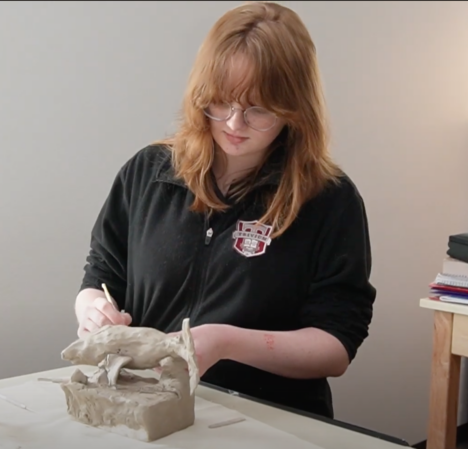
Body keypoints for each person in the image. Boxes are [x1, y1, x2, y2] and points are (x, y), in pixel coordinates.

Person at [73, 1, 376, 419]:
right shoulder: (147, 174)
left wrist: (227, 341)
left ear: (295, 109)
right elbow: (101, 276)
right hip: (147, 408)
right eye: (220, 102)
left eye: (259, 109)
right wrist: (92, 310)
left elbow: (335, 346)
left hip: (268, 418)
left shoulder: (328, 199)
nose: (234, 124)